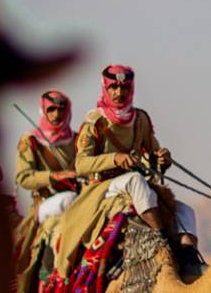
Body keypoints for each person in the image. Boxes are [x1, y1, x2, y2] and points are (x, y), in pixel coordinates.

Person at [64, 64, 201, 270]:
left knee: (185, 210)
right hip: (102, 189)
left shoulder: (140, 119)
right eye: (113, 88)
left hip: (137, 188)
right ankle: (162, 243)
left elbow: (152, 153)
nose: (119, 93)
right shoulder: (95, 122)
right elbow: (81, 164)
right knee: (135, 181)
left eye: (124, 87)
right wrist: (114, 159)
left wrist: (163, 158)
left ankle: (191, 262)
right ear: (105, 88)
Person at [11, 90, 79, 293]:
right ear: (43, 110)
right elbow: (24, 177)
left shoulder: (77, 140)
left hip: (77, 200)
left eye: (61, 110)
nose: (56, 114)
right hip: (46, 203)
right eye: (51, 109)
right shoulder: (31, 141)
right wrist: (53, 176)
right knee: (66, 200)